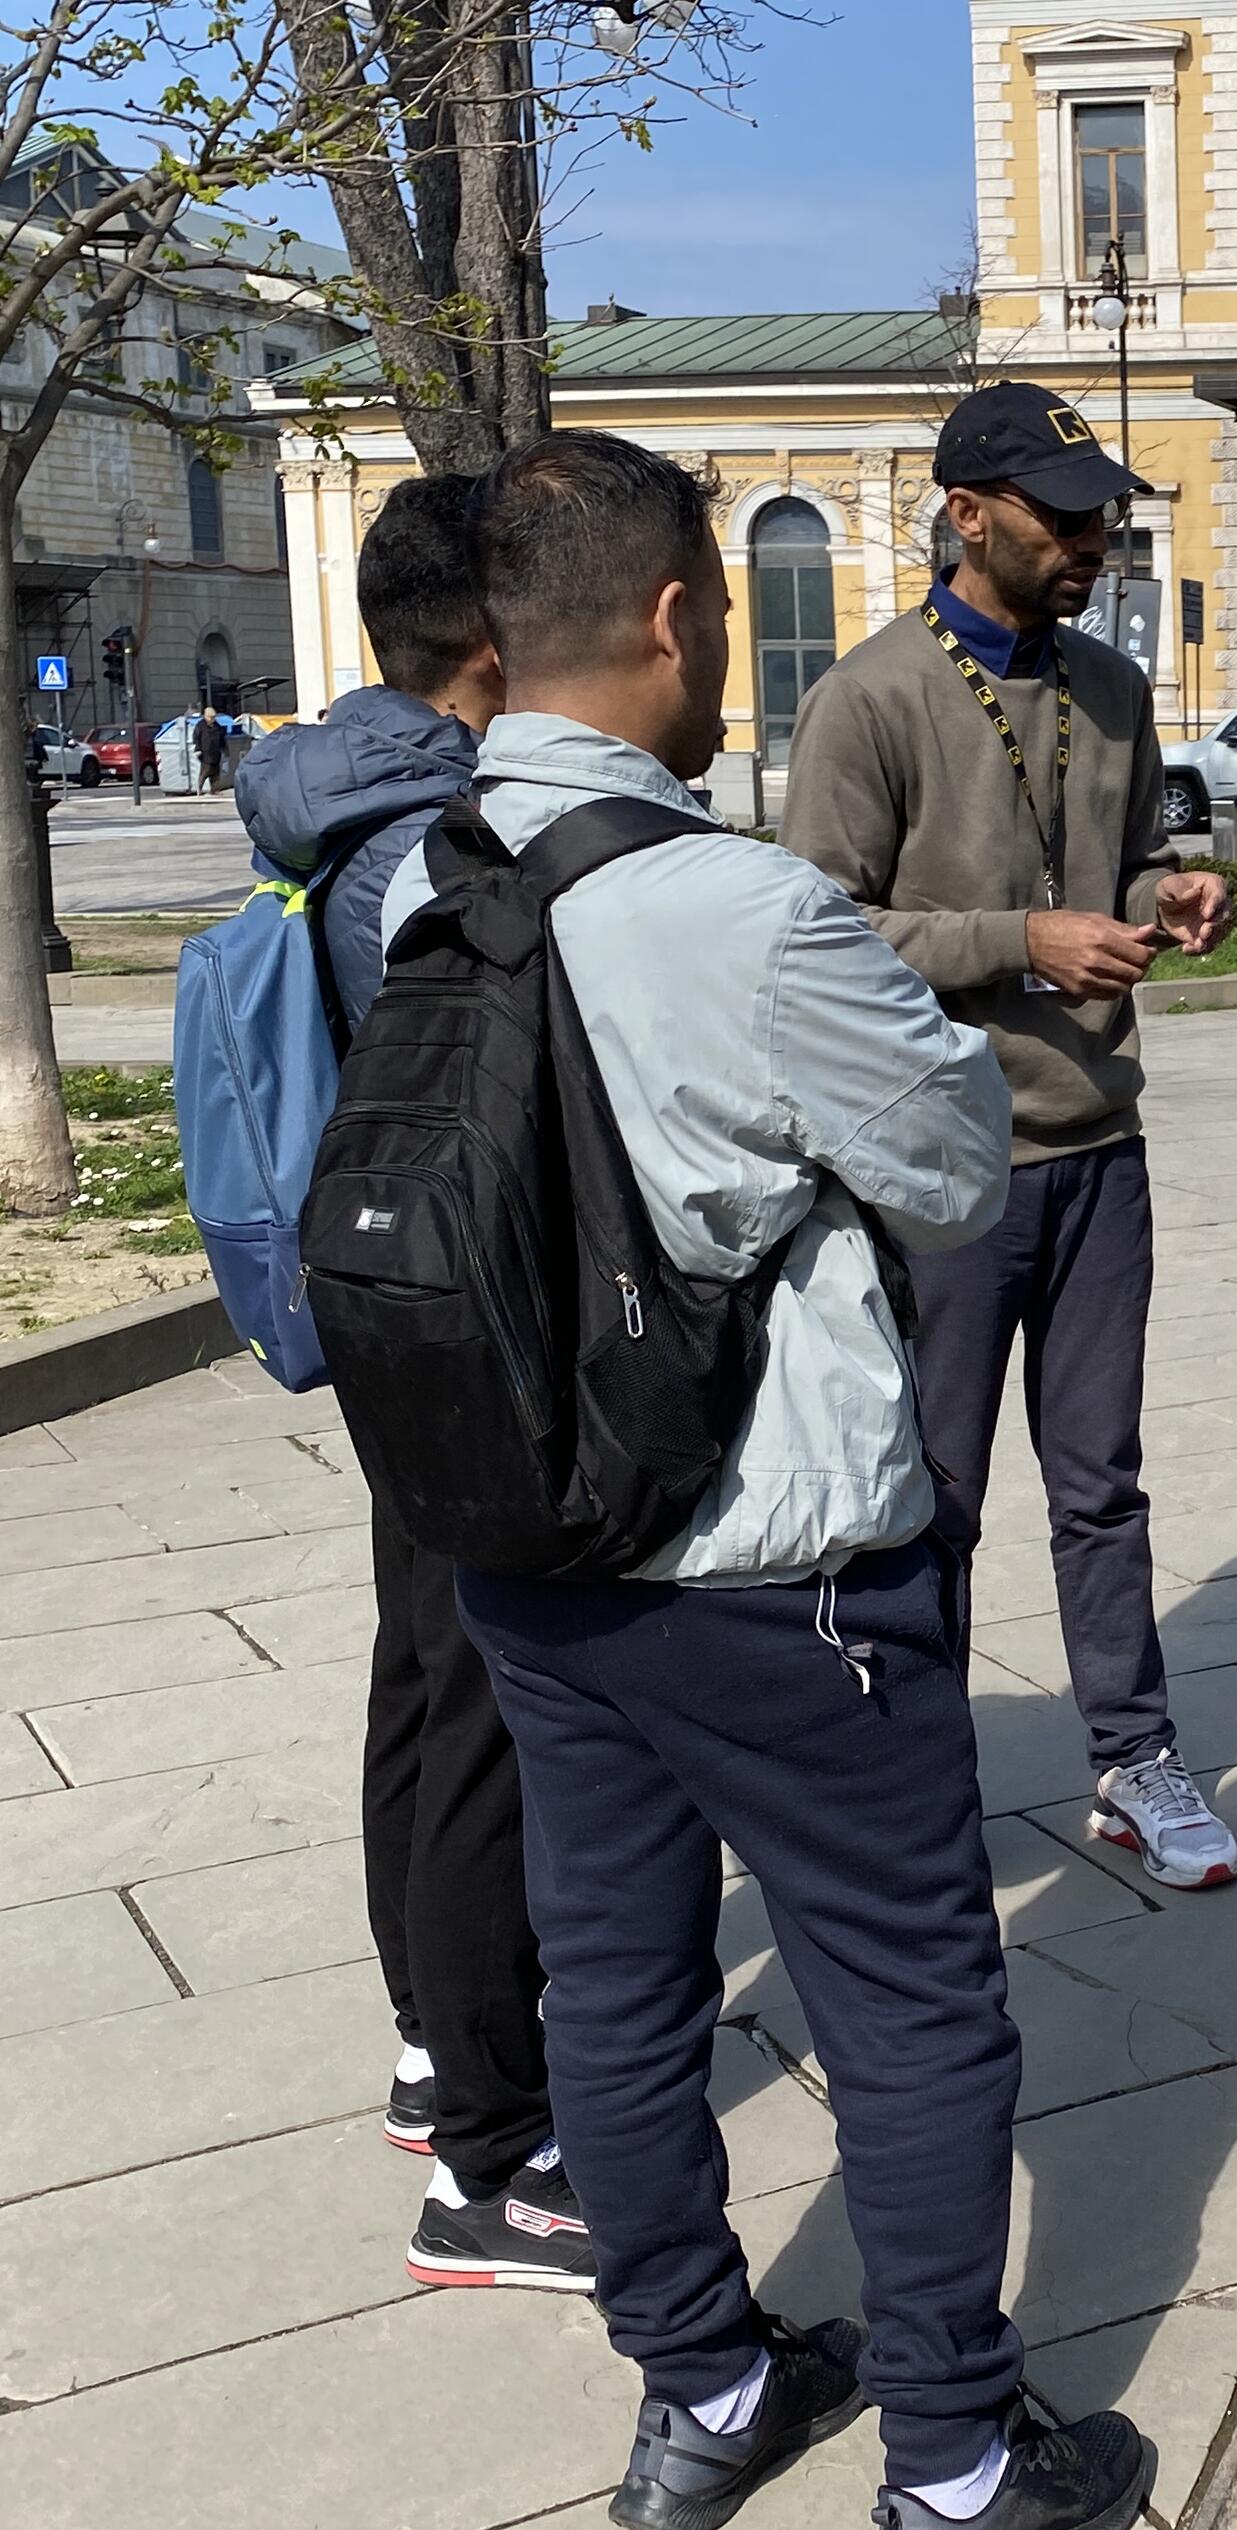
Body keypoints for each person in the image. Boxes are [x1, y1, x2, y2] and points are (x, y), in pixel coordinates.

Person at [377, 431, 1155, 2530]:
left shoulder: (414, 876)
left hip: (532, 1546)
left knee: (616, 1974)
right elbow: (954, 1157)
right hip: (769, 1550)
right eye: (715, 602)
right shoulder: (734, 904)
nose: (721, 638)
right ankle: (956, 2449)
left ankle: (703, 2385)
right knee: (911, 1995)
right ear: (664, 619)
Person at [780, 381, 1237, 1893]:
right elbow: (821, 934)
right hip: (941, 1171)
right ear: (966, 513)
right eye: (1062, 514)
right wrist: (1019, 942)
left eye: (1102, 511)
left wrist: (1173, 894)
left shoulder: (1111, 686)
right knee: (939, 1492)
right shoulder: (869, 697)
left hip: (1099, 1149)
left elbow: (1138, 851)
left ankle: (1133, 1752)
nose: (1094, 537)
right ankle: (917, 1780)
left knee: (1100, 1476)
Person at [229, 471, 566, 2293]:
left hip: (365, 1296)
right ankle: (493, 2157)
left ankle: (436, 2045)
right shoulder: (430, 840)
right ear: (491, 641)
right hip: (449, 1314)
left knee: (419, 1670)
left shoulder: (330, 791)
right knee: (483, 1704)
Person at [193, 705, 227, 791]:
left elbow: (222, 738)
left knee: (215, 772)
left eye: (213, 717)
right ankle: (199, 789)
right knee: (205, 771)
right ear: (205, 716)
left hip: (216, 752)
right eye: (211, 717)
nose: (212, 719)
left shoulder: (217, 726)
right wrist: (198, 749)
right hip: (205, 753)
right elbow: (196, 738)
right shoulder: (200, 725)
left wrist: (224, 749)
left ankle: (214, 789)